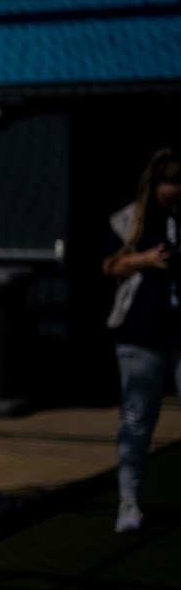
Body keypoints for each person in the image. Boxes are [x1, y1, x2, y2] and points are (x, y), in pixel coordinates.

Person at [101, 145, 181, 534]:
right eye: (170, 181)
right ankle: (128, 501)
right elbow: (110, 265)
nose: (175, 190)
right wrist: (146, 260)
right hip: (141, 332)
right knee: (136, 418)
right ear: (156, 183)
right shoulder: (133, 219)